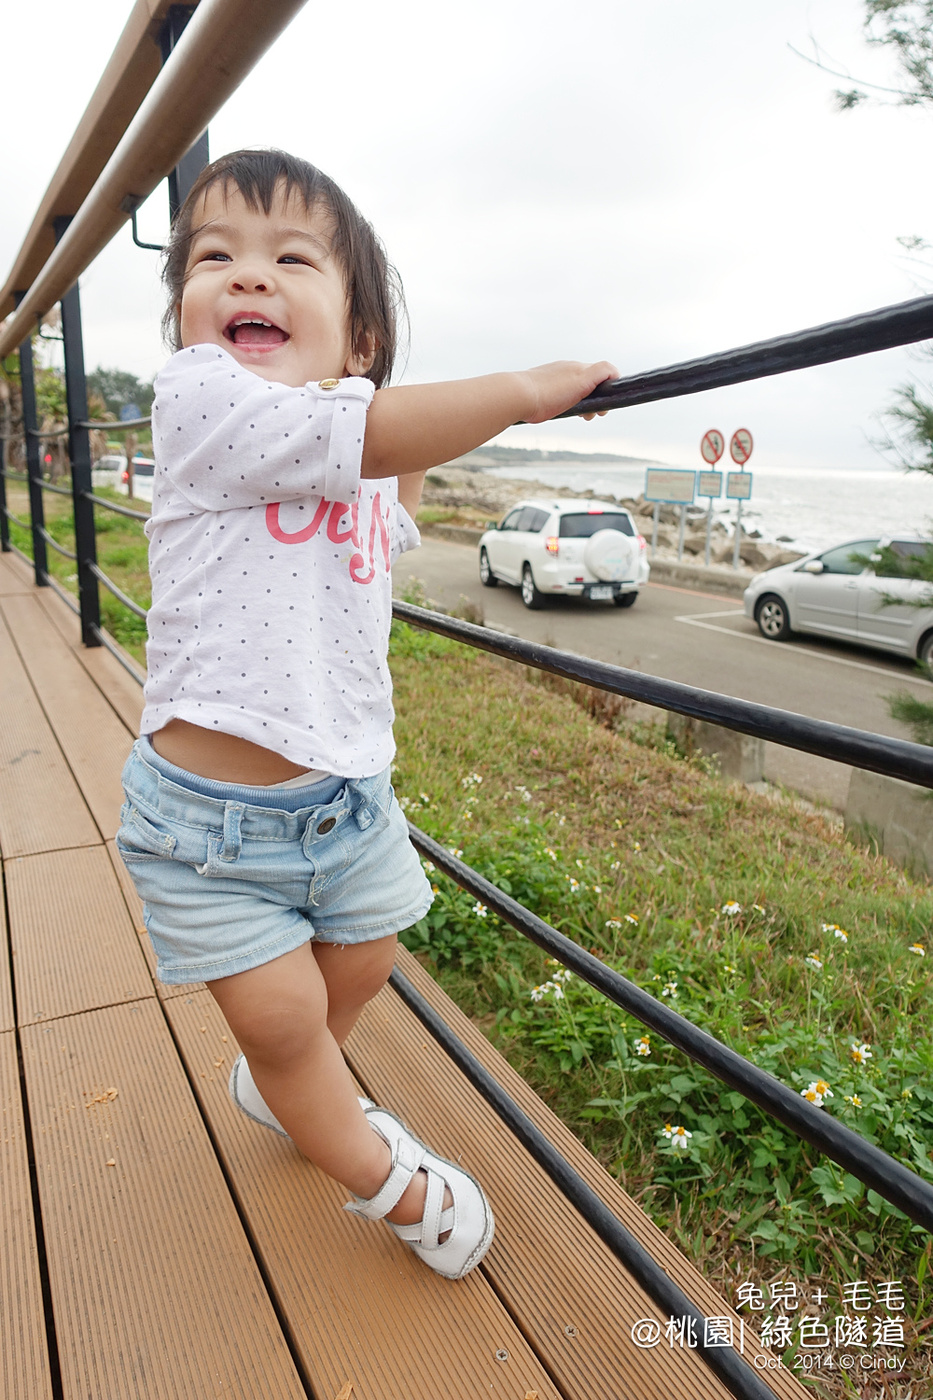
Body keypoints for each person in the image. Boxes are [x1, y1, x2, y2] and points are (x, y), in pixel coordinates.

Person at [117, 148, 617, 1280]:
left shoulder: (363, 457)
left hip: (345, 803)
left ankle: (295, 1085)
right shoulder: (200, 401)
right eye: (214, 258)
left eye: (291, 258)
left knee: (368, 955)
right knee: (288, 1021)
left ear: (361, 345)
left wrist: (407, 439)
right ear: (187, 314)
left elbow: (388, 491)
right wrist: (530, 392)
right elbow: (381, 432)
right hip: (209, 830)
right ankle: (391, 1181)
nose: (247, 278)